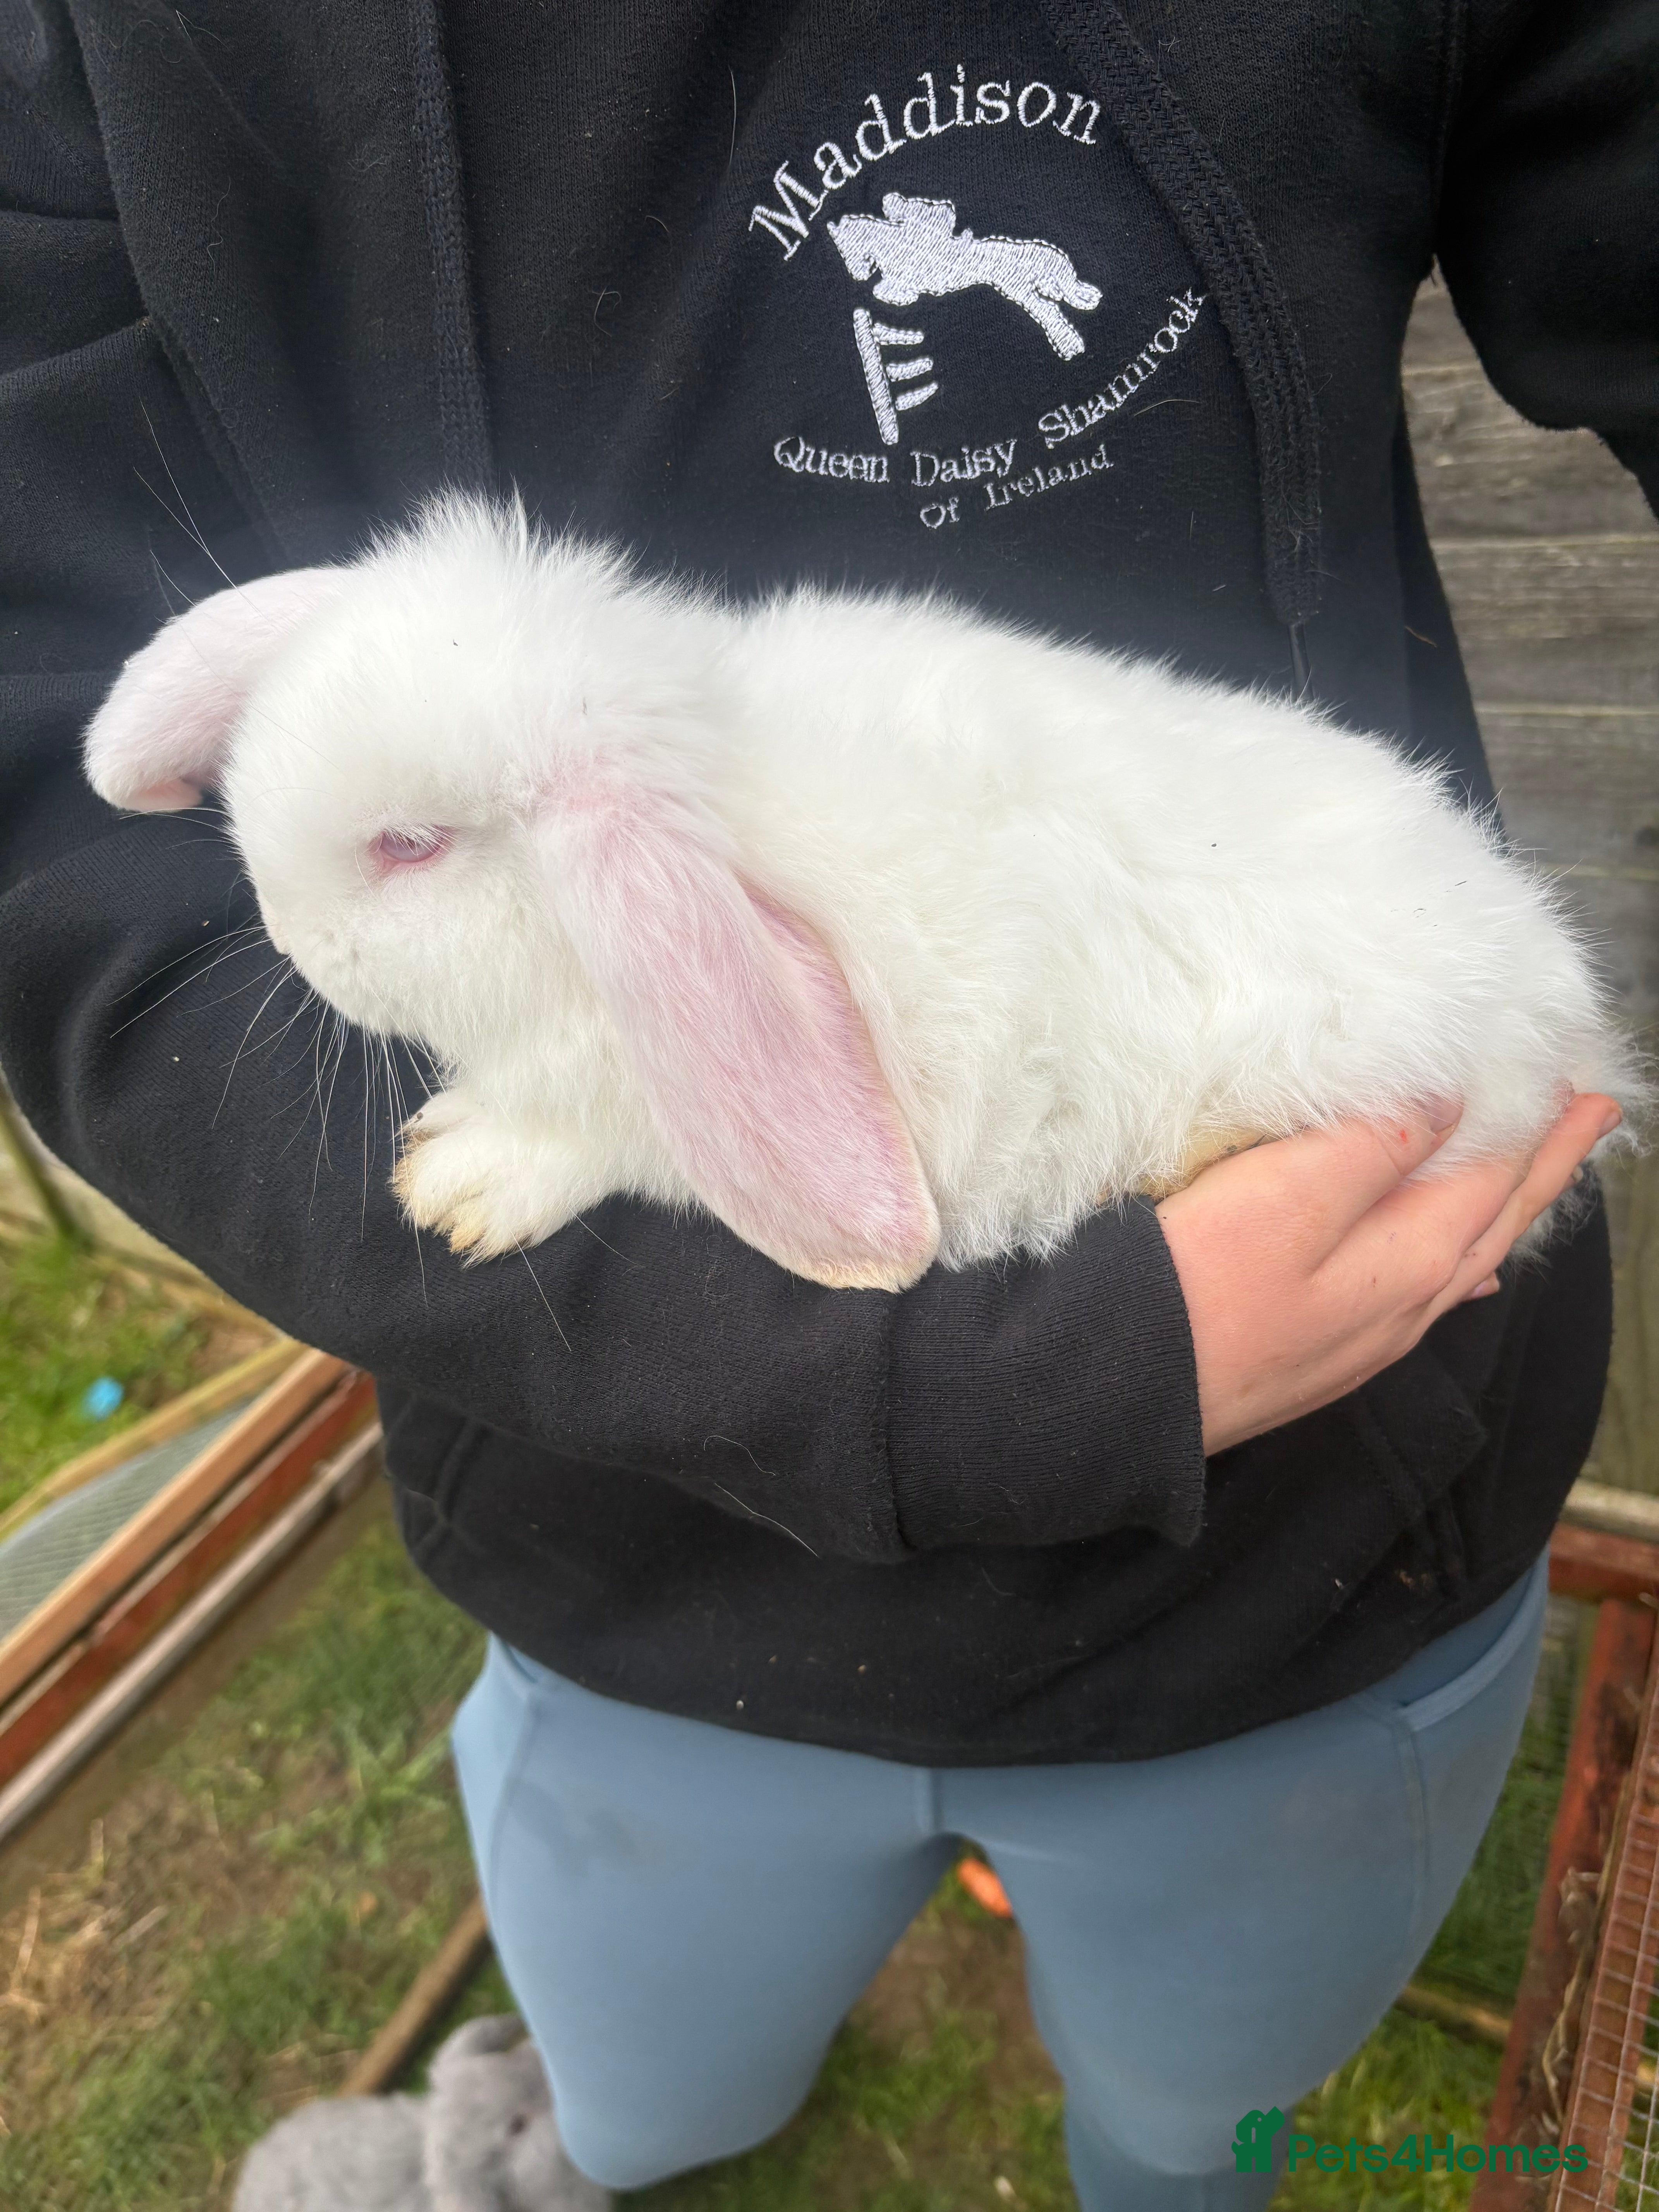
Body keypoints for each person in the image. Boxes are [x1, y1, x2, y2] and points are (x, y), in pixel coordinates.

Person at [0, 3, 1648, 2204]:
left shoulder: (690, 883)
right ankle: (600, 2135)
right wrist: (953, 1372)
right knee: (648, 2032)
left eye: (385, 867)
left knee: (1195, 2100)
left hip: (1327, 1507)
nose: (316, 952)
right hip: (629, 1539)